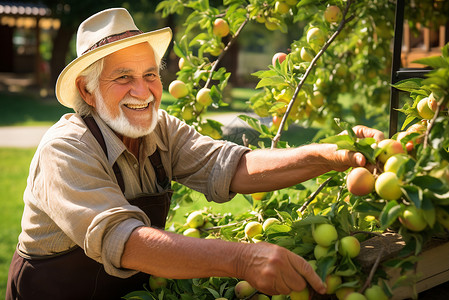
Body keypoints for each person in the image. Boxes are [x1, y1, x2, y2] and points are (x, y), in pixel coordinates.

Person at [6, 8, 384, 300]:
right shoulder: (66, 149)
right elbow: (125, 241)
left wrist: (331, 154)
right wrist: (241, 259)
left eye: (150, 74)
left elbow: (231, 166)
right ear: (87, 93)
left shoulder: (161, 128)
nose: (143, 92)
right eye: (123, 78)